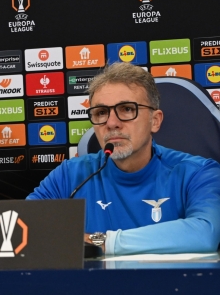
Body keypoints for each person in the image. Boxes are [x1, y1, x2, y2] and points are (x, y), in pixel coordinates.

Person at [27, 62, 220, 255]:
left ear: (155, 120)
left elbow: (205, 233)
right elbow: (24, 226)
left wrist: (102, 242)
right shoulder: (70, 175)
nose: (112, 123)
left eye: (127, 109)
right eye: (101, 113)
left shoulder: (198, 173)